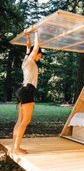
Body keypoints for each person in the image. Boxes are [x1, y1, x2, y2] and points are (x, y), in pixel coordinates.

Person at [11, 26, 43, 154]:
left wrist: (27, 36)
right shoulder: (30, 61)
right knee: (25, 121)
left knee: (20, 120)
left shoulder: (26, 59)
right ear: (37, 54)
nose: (40, 57)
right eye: (40, 55)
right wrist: (36, 32)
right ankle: (17, 148)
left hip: (23, 90)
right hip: (27, 91)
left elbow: (29, 47)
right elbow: (35, 47)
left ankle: (15, 147)